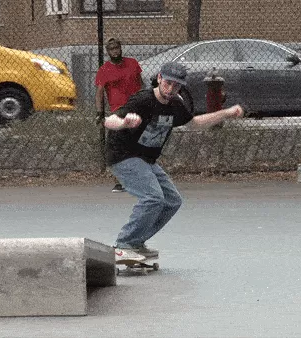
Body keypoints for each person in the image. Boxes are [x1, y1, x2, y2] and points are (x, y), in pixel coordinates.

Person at [104, 62, 245, 261]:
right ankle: (123, 245)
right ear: (160, 78)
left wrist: (227, 113)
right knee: (153, 198)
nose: (170, 89)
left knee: (172, 201)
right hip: (124, 155)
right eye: (168, 83)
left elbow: (194, 124)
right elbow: (109, 120)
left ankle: (136, 242)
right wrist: (124, 122)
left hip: (147, 159)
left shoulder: (176, 104)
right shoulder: (143, 100)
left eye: (176, 86)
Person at [95, 37, 143, 193]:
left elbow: (140, 84)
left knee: (138, 145)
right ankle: (119, 181)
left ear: (121, 48)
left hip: (136, 107)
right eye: (112, 49)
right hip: (118, 110)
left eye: (117, 48)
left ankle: (140, 179)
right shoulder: (104, 70)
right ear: (108, 52)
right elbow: (100, 93)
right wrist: (99, 113)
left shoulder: (133, 64)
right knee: (116, 146)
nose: (115, 51)